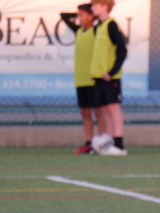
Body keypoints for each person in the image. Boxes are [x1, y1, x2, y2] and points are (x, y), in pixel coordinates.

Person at [60, 4, 105, 154]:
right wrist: (78, 13)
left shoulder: (97, 31)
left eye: (82, 15)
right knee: (85, 112)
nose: (79, 18)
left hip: (93, 78)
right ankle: (89, 143)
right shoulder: (79, 31)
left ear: (91, 16)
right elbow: (64, 16)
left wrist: (92, 14)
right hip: (80, 78)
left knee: (98, 111)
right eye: (78, 15)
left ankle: (102, 142)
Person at [89, 0, 128, 156]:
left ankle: (119, 144)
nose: (92, 8)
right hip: (99, 76)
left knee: (113, 108)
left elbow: (122, 49)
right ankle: (108, 143)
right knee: (104, 109)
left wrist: (112, 71)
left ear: (104, 6)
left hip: (109, 76)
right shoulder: (99, 26)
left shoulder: (111, 25)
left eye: (95, 4)